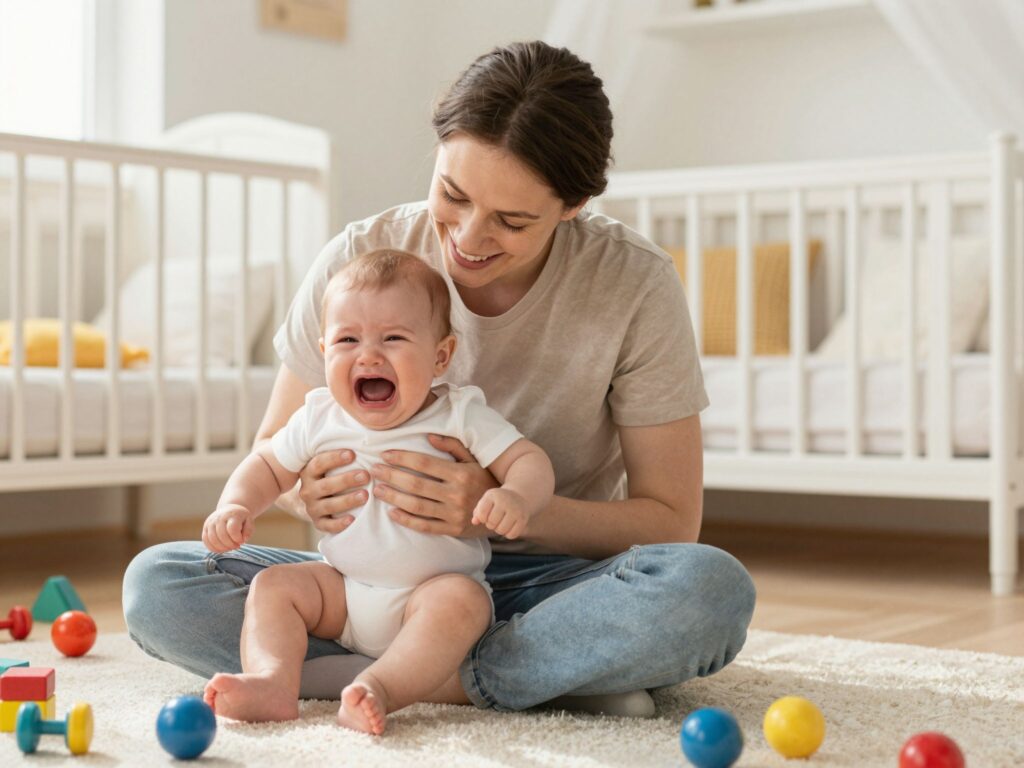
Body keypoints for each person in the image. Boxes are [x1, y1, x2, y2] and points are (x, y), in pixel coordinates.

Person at [123, 40, 756, 718]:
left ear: (573, 205)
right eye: (453, 195)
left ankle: (402, 677)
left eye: (512, 221)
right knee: (158, 583)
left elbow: (670, 522)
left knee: (707, 589)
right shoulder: (360, 259)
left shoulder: (633, 283)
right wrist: (307, 498)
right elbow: (277, 454)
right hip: (359, 582)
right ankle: (536, 678)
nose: (470, 238)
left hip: (549, 581)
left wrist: (499, 509)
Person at [200, 250, 554, 733]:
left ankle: (381, 688)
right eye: (348, 339)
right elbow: (266, 464)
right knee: (272, 586)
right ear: (324, 351)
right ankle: (273, 681)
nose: (368, 355)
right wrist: (236, 504)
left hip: (428, 597)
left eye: (393, 338)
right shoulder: (318, 416)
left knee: (463, 602)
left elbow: (529, 461)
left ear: (440, 356)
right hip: (343, 592)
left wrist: (515, 496)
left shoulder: (457, 413)